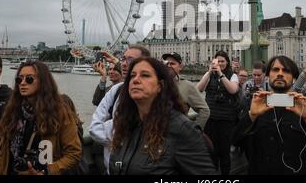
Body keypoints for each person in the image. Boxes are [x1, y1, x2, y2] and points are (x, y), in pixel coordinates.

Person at [109, 57, 216, 175]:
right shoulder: (125, 126)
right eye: (132, 76)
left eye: (145, 75)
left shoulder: (181, 129)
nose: (136, 80)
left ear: (160, 86)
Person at [232, 56, 306, 175]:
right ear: (267, 76)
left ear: (294, 78)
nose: (280, 74)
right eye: (275, 69)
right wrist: (251, 116)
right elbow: (235, 140)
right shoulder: (256, 104)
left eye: (286, 70)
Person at [0, 61, 81, 175]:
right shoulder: (13, 111)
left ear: (43, 82)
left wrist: (47, 171)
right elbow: (2, 153)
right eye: (19, 79)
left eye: (29, 79)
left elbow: (73, 153)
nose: (22, 83)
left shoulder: (59, 113)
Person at [88, 45, 150, 174]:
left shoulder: (154, 94)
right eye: (123, 59)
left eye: (130, 60)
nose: (124, 63)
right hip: (111, 169)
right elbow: (94, 128)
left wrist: (111, 129)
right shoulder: (116, 90)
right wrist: (122, 130)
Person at [196, 51, 239, 175]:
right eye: (217, 61)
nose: (220, 64)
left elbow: (233, 90)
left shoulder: (233, 76)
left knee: (224, 151)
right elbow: (199, 88)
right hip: (211, 118)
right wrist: (209, 72)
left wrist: (220, 74)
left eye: (222, 61)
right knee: (212, 151)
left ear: (227, 62)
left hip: (226, 119)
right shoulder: (209, 75)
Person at [162, 52, 210, 130]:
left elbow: (204, 110)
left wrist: (194, 131)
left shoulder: (187, 86)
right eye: (166, 63)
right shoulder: (155, 84)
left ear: (180, 67)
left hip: (177, 133)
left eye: (172, 64)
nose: (169, 66)